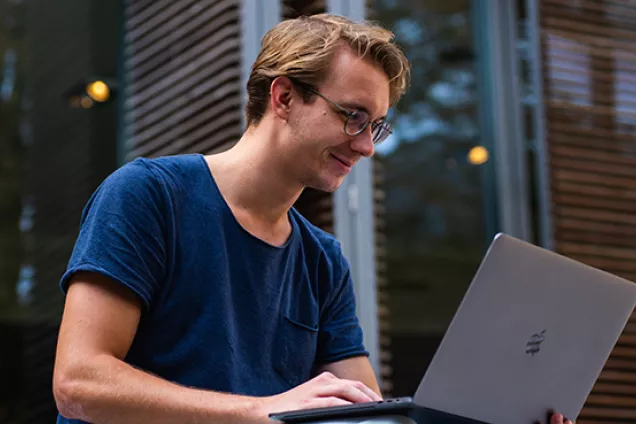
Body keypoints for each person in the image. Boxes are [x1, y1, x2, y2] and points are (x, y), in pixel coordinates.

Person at [52, 13, 572, 424]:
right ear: (283, 97)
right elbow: (79, 384)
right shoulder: (149, 196)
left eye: (377, 127)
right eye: (353, 117)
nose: (367, 146)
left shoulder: (322, 261)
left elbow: (366, 417)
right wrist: (261, 410)